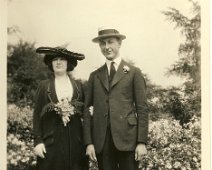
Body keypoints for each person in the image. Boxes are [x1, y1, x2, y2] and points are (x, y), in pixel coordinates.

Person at [83, 27, 149, 170]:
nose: (106, 47)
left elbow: (142, 109)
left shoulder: (134, 73)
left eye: (110, 42)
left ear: (119, 43)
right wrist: (89, 143)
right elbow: (87, 111)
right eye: (103, 43)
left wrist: (141, 142)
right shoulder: (95, 76)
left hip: (128, 140)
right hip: (102, 142)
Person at [33, 46, 87, 170]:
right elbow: (37, 115)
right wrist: (38, 141)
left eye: (62, 59)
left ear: (68, 63)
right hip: (50, 145)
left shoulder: (79, 87)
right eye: (55, 59)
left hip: (76, 146)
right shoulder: (44, 86)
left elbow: (85, 114)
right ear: (50, 63)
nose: (58, 62)